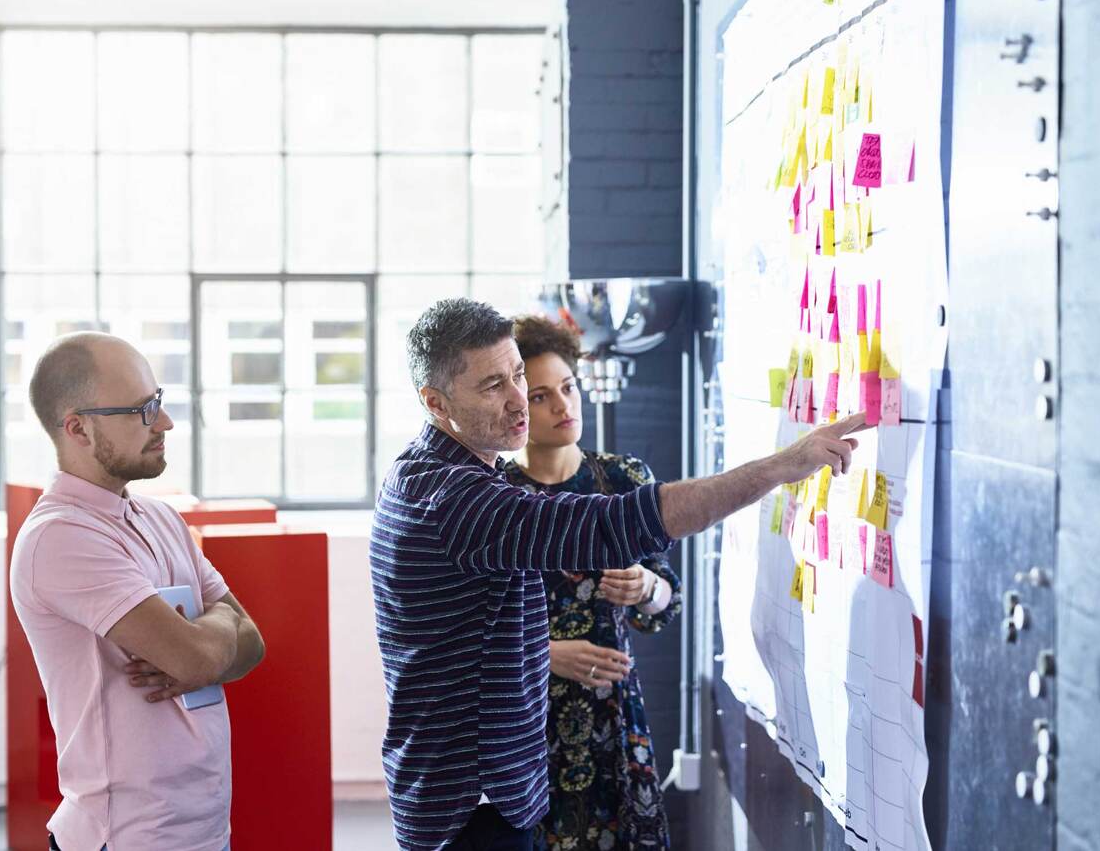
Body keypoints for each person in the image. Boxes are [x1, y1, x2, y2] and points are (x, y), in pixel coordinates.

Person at [370, 298, 866, 851]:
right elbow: (620, 522)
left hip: (484, 788)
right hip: (473, 802)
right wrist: (780, 467)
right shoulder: (454, 498)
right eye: (494, 387)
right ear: (435, 403)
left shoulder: (438, 473)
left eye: (517, 377)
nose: (519, 403)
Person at [9, 332, 265, 851]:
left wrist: (206, 642)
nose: (165, 423)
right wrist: (212, 635)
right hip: (125, 837)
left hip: (201, 828)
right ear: (77, 428)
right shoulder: (60, 536)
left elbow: (253, 644)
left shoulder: (162, 519)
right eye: (140, 410)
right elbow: (195, 658)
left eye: (159, 403)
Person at [503, 316, 678, 850]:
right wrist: (548, 652)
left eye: (568, 387)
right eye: (540, 396)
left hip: (613, 716)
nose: (563, 406)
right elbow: (468, 631)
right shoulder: (494, 496)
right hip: (525, 720)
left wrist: (646, 586)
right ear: (512, 407)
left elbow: (666, 604)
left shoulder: (624, 480)